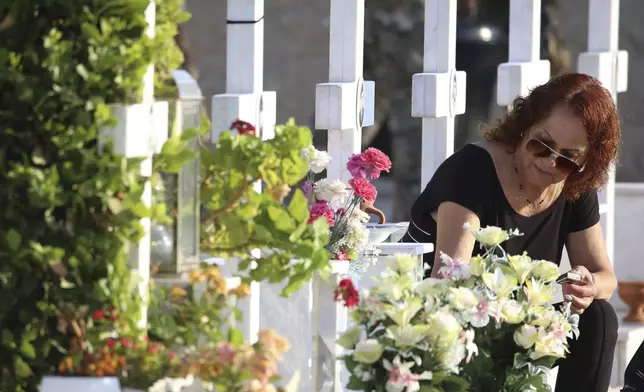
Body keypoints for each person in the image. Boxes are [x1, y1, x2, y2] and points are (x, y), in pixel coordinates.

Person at [401, 73, 620, 392]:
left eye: (568, 159)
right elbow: (447, 283)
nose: (550, 162)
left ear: (586, 162)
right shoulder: (472, 170)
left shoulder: (573, 186)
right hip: (450, 321)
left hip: (519, 322)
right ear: (523, 126)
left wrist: (588, 286)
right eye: (541, 145)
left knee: (598, 317)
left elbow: (606, 278)